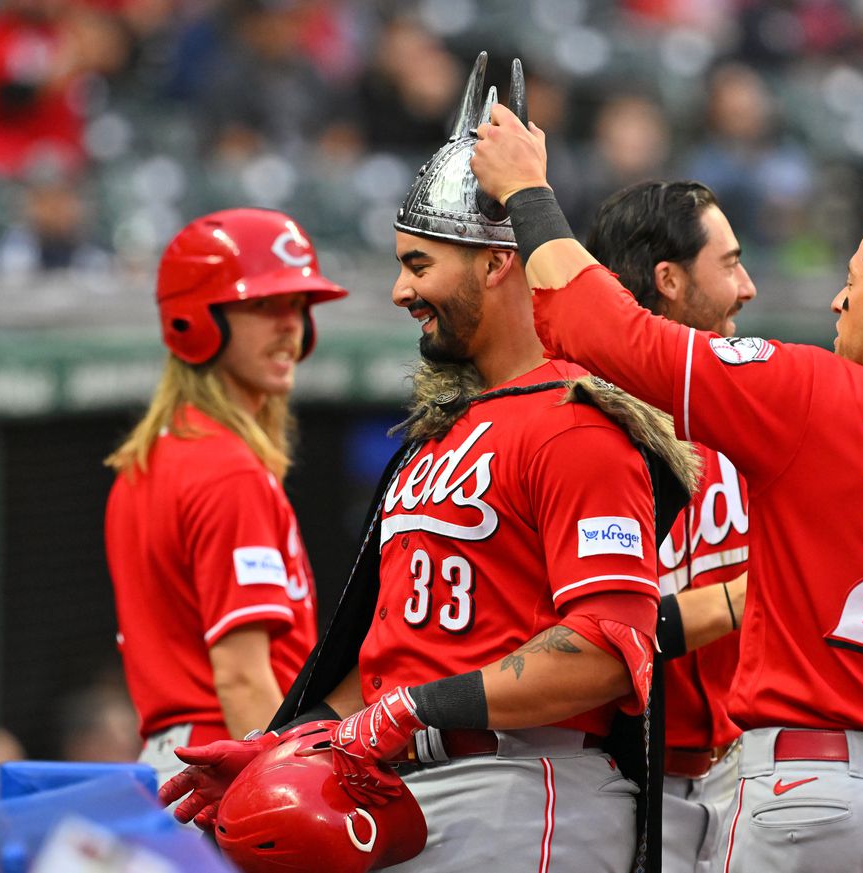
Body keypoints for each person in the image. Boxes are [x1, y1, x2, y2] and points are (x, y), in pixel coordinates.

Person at [471, 103, 863, 872]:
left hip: (810, 787)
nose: (836, 299)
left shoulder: (815, 394)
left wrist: (528, 190)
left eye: (852, 282)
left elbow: (605, 333)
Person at [161, 54, 732, 873]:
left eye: (418, 263)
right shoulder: (437, 436)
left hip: (522, 786)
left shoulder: (576, 420)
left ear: (499, 262)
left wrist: (406, 713)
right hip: (410, 788)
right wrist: (280, 745)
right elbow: (396, 654)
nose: (398, 291)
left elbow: (611, 647)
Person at [103, 207, 347, 787]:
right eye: (263, 305)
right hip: (224, 767)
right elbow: (241, 678)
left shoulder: (148, 461)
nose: (291, 326)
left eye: (298, 306)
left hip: (179, 762)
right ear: (195, 320)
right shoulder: (226, 470)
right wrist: (289, 791)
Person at [587, 180, 754, 873]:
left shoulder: (754, 410)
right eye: (730, 262)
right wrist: (755, 594)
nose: (747, 286)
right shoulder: (589, 432)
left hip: (751, 772)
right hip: (625, 782)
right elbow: (601, 632)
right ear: (670, 280)